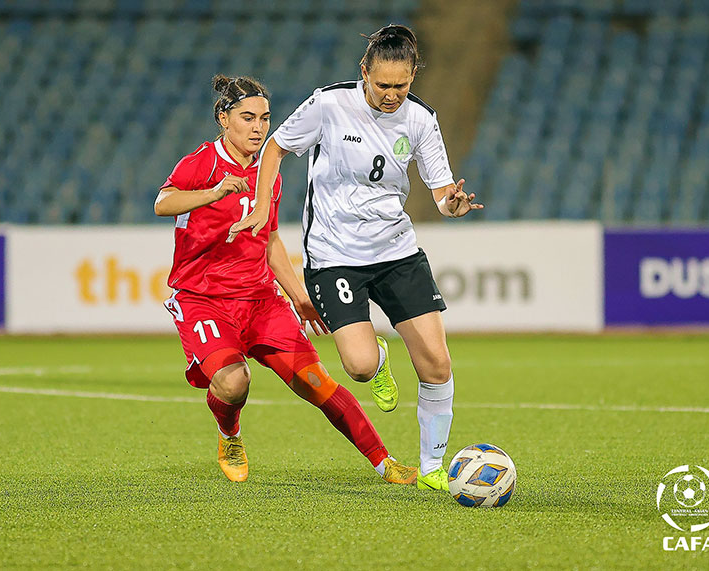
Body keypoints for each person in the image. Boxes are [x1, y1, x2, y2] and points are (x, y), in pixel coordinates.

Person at [228, 25, 482, 491]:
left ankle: (431, 467)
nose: (391, 95)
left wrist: (453, 205)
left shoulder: (421, 120)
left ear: (412, 78)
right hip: (335, 256)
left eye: (401, 86)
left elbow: (442, 191)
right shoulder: (328, 104)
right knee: (360, 367)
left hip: (396, 251)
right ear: (364, 72)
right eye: (382, 85)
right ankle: (381, 361)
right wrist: (263, 205)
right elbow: (276, 147)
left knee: (437, 364)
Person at [154, 73, 417, 485]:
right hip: (203, 299)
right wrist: (214, 192)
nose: (259, 127)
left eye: (264, 118)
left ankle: (384, 461)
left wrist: (298, 295)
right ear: (223, 119)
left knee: (315, 381)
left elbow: (271, 237)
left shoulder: (268, 171)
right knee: (234, 382)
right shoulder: (201, 163)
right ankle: (230, 434)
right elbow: (162, 201)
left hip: (261, 299)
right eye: (247, 117)